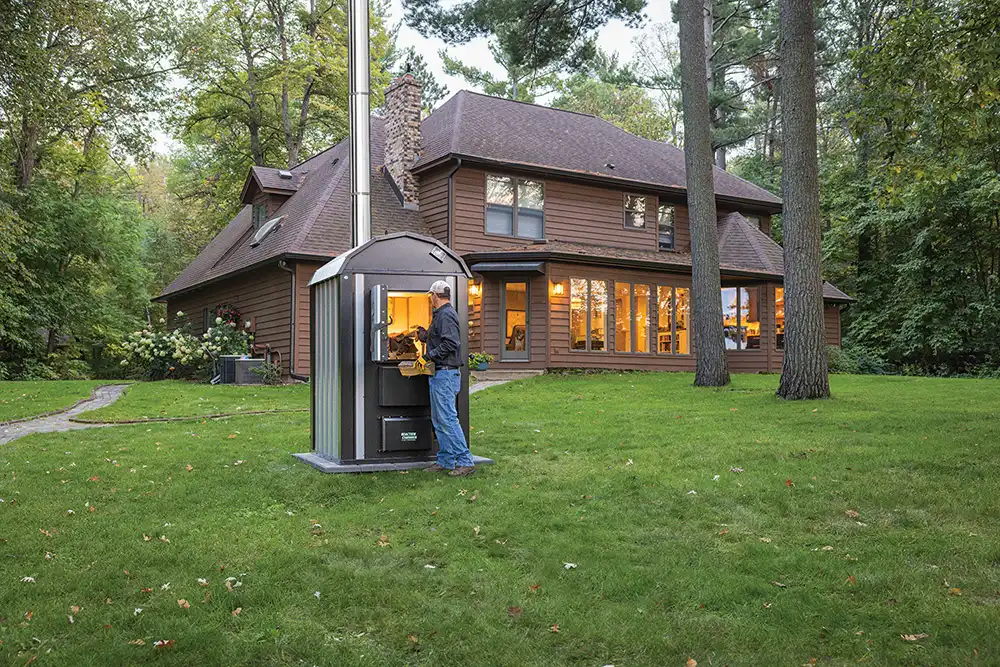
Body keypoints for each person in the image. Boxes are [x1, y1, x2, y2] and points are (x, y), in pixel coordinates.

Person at [417, 280, 476, 476]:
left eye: (430, 296)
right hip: (440, 373)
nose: (430, 299)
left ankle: (465, 461)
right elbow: (440, 339)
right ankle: (446, 460)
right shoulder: (441, 315)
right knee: (439, 418)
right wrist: (424, 335)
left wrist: (428, 356)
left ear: (435, 295)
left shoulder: (447, 315)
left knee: (448, 419)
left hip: (445, 373)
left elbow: (451, 343)